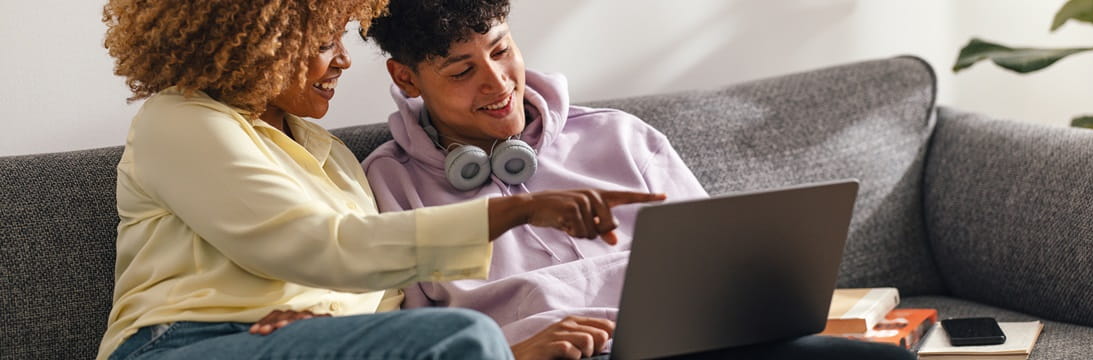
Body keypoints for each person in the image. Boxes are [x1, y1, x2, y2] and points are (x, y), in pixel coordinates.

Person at [97, 1, 661, 359]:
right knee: (467, 337)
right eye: (324, 44)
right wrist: (518, 211)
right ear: (257, 47)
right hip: (182, 343)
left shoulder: (334, 157)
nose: (343, 61)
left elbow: (387, 298)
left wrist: (330, 328)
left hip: (295, 341)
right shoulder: (178, 121)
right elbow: (319, 246)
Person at [359, 1, 918, 360]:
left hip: (696, 343)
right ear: (406, 78)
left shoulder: (619, 136)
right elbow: (406, 339)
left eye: (502, 50)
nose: (498, 82)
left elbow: (720, 264)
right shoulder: (388, 183)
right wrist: (509, 351)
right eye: (462, 70)